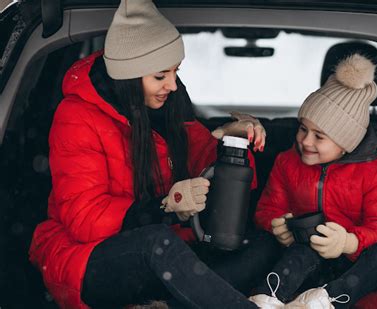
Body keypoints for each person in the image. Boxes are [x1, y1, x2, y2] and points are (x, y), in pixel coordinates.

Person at [28, 1, 275, 308]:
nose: (172, 85)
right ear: (130, 77)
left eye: (175, 72)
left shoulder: (166, 109)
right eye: (160, 76)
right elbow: (83, 218)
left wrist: (232, 143)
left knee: (260, 243)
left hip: (164, 254)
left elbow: (203, 157)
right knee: (157, 241)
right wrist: (166, 207)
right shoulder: (77, 117)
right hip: (88, 258)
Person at [249, 54, 377, 308]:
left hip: (353, 270)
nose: (306, 141)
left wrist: (347, 242)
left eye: (319, 136)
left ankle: (326, 301)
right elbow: (267, 209)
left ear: (346, 143)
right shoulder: (287, 162)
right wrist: (277, 225)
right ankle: (267, 298)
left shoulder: (371, 172)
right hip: (302, 260)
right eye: (302, 129)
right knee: (301, 251)